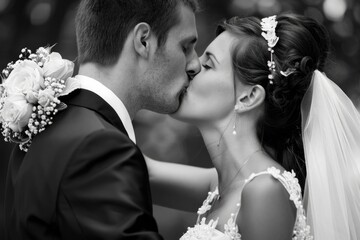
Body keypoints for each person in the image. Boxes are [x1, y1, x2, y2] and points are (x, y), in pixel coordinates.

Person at [146, 13, 360, 240]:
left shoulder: (264, 191)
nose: (192, 66)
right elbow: (139, 171)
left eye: (208, 64)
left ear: (247, 98)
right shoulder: (221, 184)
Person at [3, 0, 201, 239]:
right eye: (185, 47)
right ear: (143, 41)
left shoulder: (47, 126)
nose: (195, 64)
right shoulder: (101, 147)